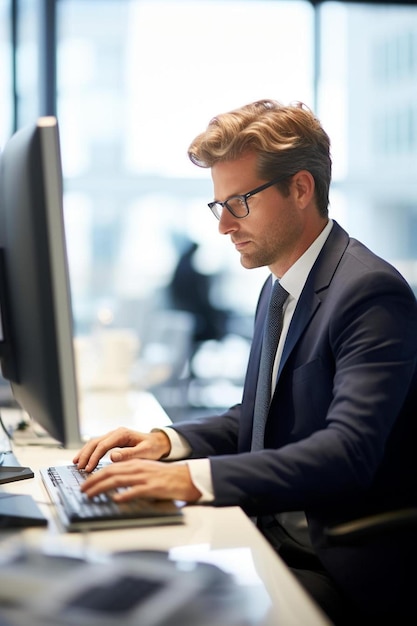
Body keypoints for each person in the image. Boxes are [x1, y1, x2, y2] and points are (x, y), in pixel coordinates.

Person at [74, 100, 417, 623]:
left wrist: (191, 480)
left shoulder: (369, 292)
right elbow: (261, 414)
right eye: (219, 206)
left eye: (240, 202)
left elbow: (348, 451)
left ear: (300, 189)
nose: (224, 227)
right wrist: (169, 443)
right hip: (267, 530)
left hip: (332, 563)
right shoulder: (278, 288)